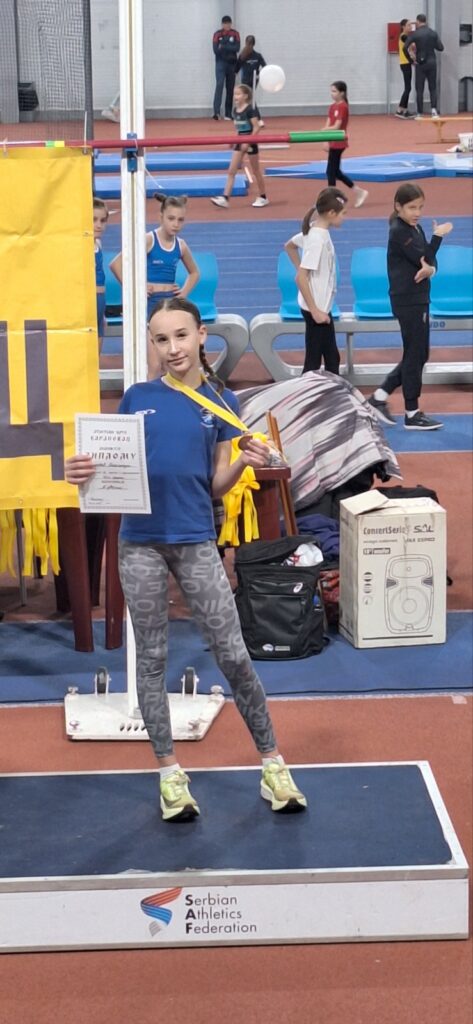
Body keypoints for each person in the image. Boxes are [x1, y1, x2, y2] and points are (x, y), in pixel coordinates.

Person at [65, 296, 307, 822]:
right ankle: (170, 775)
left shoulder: (222, 401)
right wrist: (79, 473)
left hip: (196, 540)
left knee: (234, 655)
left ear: (201, 336)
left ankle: (273, 764)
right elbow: (109, 467)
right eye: (161, 339)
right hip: (140, 545)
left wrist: (242, 462)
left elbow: (215, 483)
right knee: (151, 660)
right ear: (152, 344)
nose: (172, 348)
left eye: (180, 336)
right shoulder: (137, 398)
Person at [368, 183, 453, 431]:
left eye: (420, 207)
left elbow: (428, 261)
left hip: (417, 298)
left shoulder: (414, 228)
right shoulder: (399, 231)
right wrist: (438, 237)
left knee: (418, 354)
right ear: (398, 206)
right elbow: (424, 257)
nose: (417, 212)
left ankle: (380, 397)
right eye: (412, 207)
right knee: (416, 354)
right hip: (408, 300)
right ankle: (411, 412)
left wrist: (431, 270)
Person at [284, 187, 348, 375]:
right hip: (316, 310)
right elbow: (300, 278)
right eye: (343, 213)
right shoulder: (317, 240)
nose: (345, 217)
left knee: (332, 358)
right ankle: (307, 392)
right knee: (313, 363)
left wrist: (301, 268)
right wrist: (315, 311)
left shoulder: (315, 231)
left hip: (322, 308)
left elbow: (289, 246)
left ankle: (330, 390)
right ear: (331, 213)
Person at [110, 193, 200, 323]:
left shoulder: (181, 245)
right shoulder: (149, 240)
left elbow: (194, 273)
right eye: (171, 218)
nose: (176, 224)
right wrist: (134, 288)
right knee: (150, 335)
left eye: (180, 220)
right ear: (161, 217)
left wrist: (183, 294)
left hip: (170, 301)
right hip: (149, 300)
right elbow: (116, 264)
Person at [211, 84, 269, 209]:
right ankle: (225, 198)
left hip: (250, 141)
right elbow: (239, 129)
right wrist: (234, 139)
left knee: (256, 171)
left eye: (238, 94)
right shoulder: (235, 110)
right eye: (234, 94)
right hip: (239, 140)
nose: (235, 96)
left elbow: (257, 127)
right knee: (231, 170)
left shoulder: (250, 110)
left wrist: (248, 142)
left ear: (245, 96)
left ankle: (263, 197)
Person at [323, 81, 368, 208]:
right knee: (335, 172)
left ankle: (333, 198)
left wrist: (323, 131)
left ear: (342, 93)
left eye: (334, 91)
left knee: (330, 172)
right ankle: (358, 191)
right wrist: (324, 139)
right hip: (332, 141)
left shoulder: (343, 107)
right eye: (331, 91)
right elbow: (328, 124)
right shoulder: (332, 107)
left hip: (339, 142)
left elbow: (337, 126)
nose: (332, 94)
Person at [403, 13, 444, 118]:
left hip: (420, 64)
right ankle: (434, 111)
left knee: (419, 88)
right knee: (432, 87)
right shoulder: (433, 33)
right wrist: (431, 44)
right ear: (426, 21)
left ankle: (420, 113)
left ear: (417, 21)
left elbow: (404, 47)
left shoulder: (415, 34)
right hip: (432, 62)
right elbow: (440, 48)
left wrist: (411, 60)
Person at [212, 15, 240, 121]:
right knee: (219, 85)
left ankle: (228, 113)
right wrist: (229, 48)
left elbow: (237, 48)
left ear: (231, 24)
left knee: (230, 87)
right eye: (225, 24)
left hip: (232, 64)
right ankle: (216, 112)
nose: (227, 25)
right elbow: (216, 50)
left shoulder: (235, 34)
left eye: (229, 23)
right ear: (222, 24)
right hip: (220, 63)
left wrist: (223, 46)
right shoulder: (217, 34)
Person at [235, 35, 266, 125]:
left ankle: (257, 119)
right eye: (248, 43)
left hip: (254, 80)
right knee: (248, 99)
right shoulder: (242, 55)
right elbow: (236, 68)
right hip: (245, 81)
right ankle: (253, 119)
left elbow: (265, 67)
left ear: (253, 44)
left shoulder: (258, 56)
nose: (249, 45)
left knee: (249, 99)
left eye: (250, 44)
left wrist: (260, 75)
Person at [93, 197, 109, 353]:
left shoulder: (98, 243)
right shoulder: (81, 246)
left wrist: (102, 313)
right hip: (89, 302)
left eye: (103, 221)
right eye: (94, 220)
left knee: (97, 353)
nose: (99, 225)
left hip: (100, 301)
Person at [395, 19, 415, 118]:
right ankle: (399, 109)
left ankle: (405, 110)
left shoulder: (405, 36)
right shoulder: (403, 36)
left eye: (411, 25)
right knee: (408, 88)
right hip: (405, 63)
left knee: (408, 88)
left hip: (406, 64)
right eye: (408, 25)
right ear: (403, 27)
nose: (410, 27)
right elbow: (412, 44)